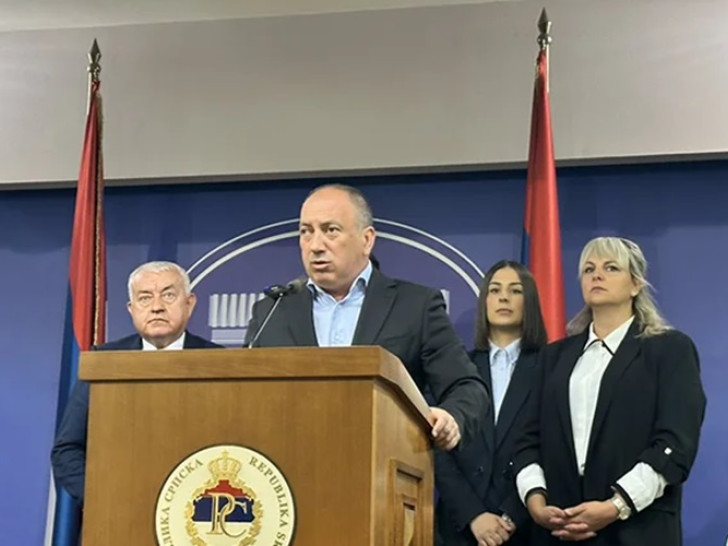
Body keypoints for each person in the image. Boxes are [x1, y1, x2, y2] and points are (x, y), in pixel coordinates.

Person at [244, 184, 488, 451]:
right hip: (288, 462)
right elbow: (242, 394)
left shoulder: (415, 306)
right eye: (306, 231)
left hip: (384, 462)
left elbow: (466, 388)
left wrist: (451, 417)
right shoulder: (272, 312)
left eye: (330, 230)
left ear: (367, 240)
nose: (315, 245)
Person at [513, 237, 706, 546]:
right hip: (559, 532)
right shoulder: (553, 357)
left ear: (636, 284)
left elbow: (676, 443)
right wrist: (535, 501)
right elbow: (526, 439)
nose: (597, 275)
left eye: (611, 268)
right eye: (589, 269)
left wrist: (616, 506)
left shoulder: (670, 349)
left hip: (637, 531)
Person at [51, 261, 222, 505]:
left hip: (195, 511)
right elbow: (67, 449)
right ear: (132, 309)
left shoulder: (219, 362)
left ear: (190, 303)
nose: (157, 307)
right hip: (116, 511)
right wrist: (103, 498)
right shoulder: (104, 362)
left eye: (168, 295)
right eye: (145, 298)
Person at [435, 261, 547, 546]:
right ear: (484, 300)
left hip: (525, 528)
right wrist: (474, 515)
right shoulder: (457, 367)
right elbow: (436, 447)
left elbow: (555, 448)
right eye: (495, 290)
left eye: (515, 290)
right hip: (459, 529)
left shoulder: (552, 367)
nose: (504, 298)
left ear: (530, 301)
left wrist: (512, 515)